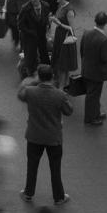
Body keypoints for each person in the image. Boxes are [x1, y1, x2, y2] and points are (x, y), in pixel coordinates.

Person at [17, 64, 73, 205]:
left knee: (32, 166)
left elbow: (20, 94)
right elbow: (69, 111)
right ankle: (59, 197)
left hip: (34, 136)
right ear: (52, 77)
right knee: (55, 168)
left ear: (39, 77)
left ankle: (28, 193)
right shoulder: (59, 95)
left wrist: (32, 80)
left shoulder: (30, 92)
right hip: (53, 137)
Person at [80, 11, 107, 126]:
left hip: (87, 69)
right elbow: (105, 58)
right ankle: (90, 118)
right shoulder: (104, 40)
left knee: (93, 94)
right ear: (106, 23)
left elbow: (82, 51)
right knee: (93, 95)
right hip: (97, 72)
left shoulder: (86, 33)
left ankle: (96, 113)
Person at [17, 0, 51, 77]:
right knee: (30, 59)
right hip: (29, 37)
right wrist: (31, 32)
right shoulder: (25, 8)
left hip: (41, 36)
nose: (32, 0)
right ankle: (30, 76)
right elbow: (20, 25)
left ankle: (45, 75)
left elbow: (46, 20)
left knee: (44, 55)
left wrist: (47, 27)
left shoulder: (45, 6)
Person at [50, 0, 77, 90]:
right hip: (59, 37)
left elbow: (72, 29)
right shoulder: (61, 6)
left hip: (66, 39)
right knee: (60, 63)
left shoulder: (69, 10)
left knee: (63, 65)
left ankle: (61, 88)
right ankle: (65, 85)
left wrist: (58, 23)